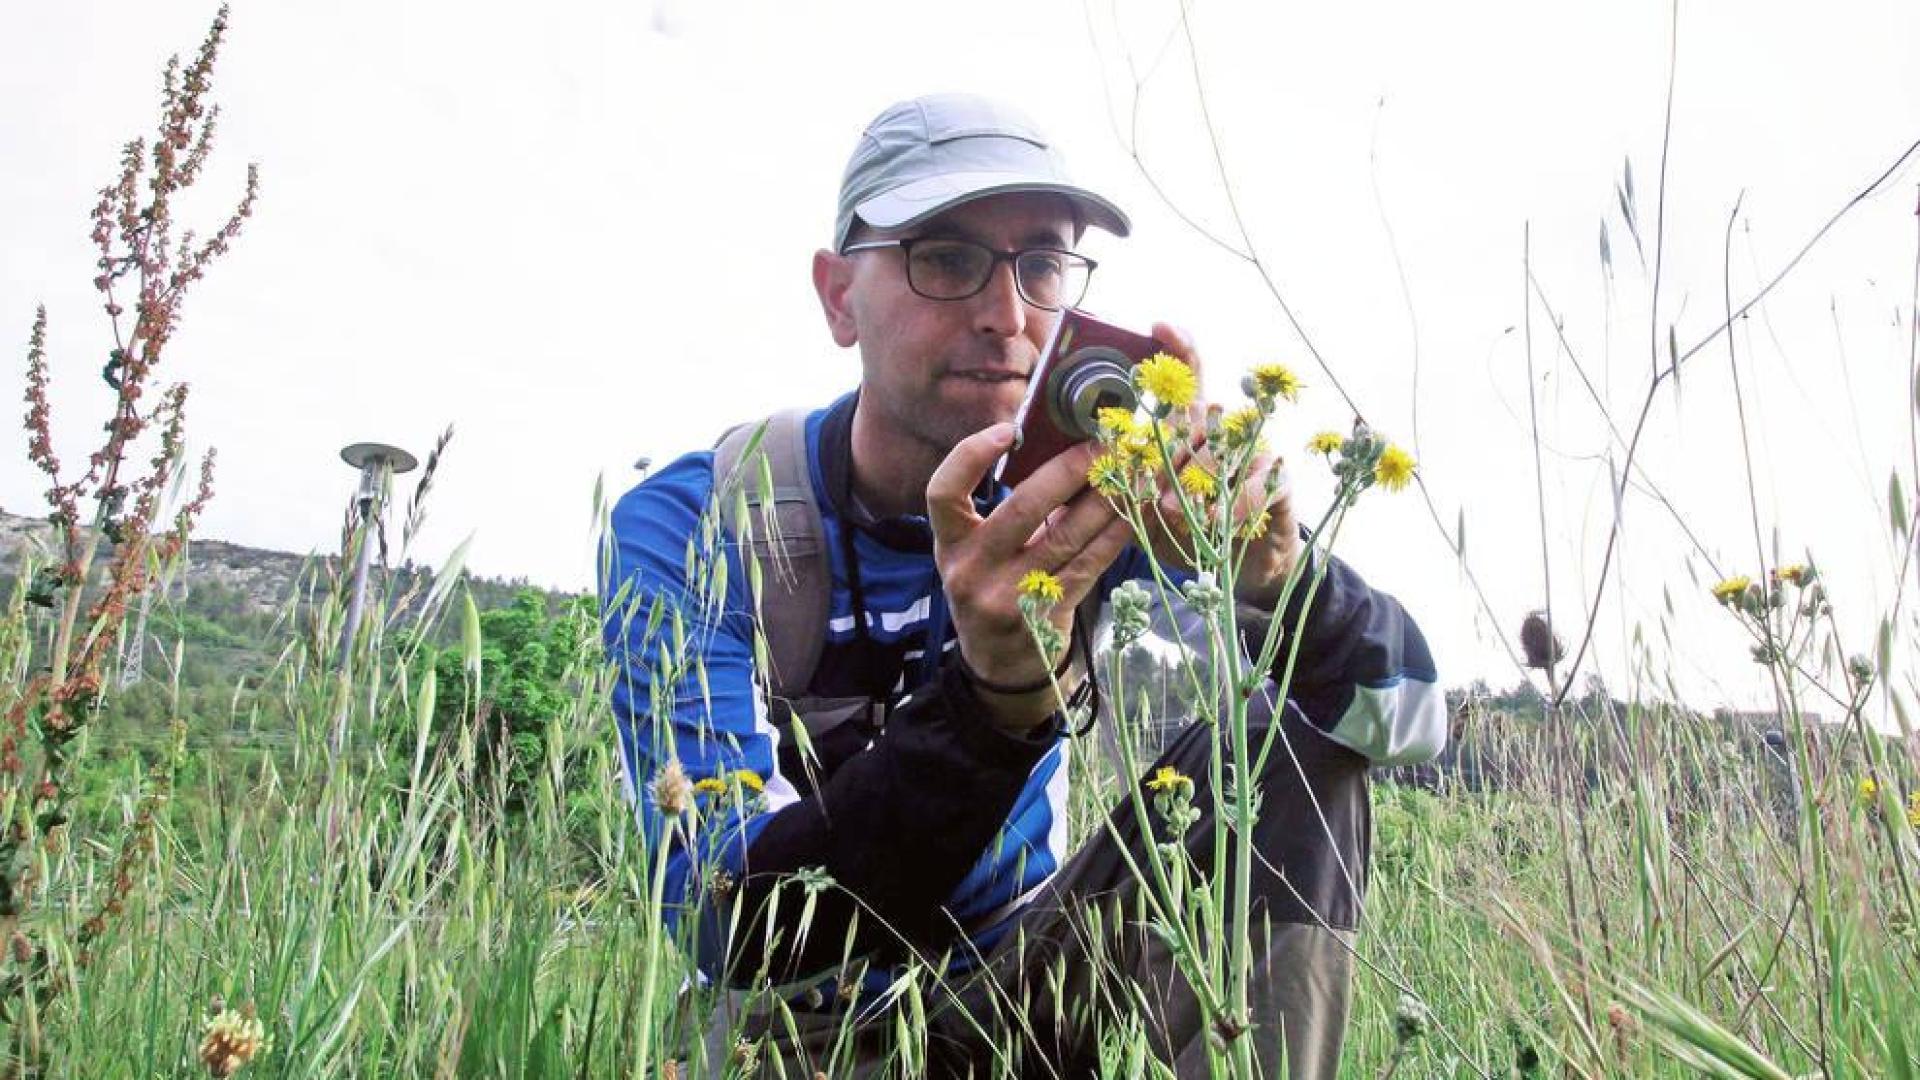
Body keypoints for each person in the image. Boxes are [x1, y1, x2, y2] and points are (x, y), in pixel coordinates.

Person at [600, 92, 1445, 1078]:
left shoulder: (1093, 496)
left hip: (1022, 991)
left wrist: (1273, 579)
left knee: (1287, 751)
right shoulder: (704, 521)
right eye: (947, 258)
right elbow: (724, 925)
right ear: (839, 297)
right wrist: (995, 705)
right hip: (793, 1032)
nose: (1008, 317)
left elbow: (1407, 722)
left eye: (1042, 263)